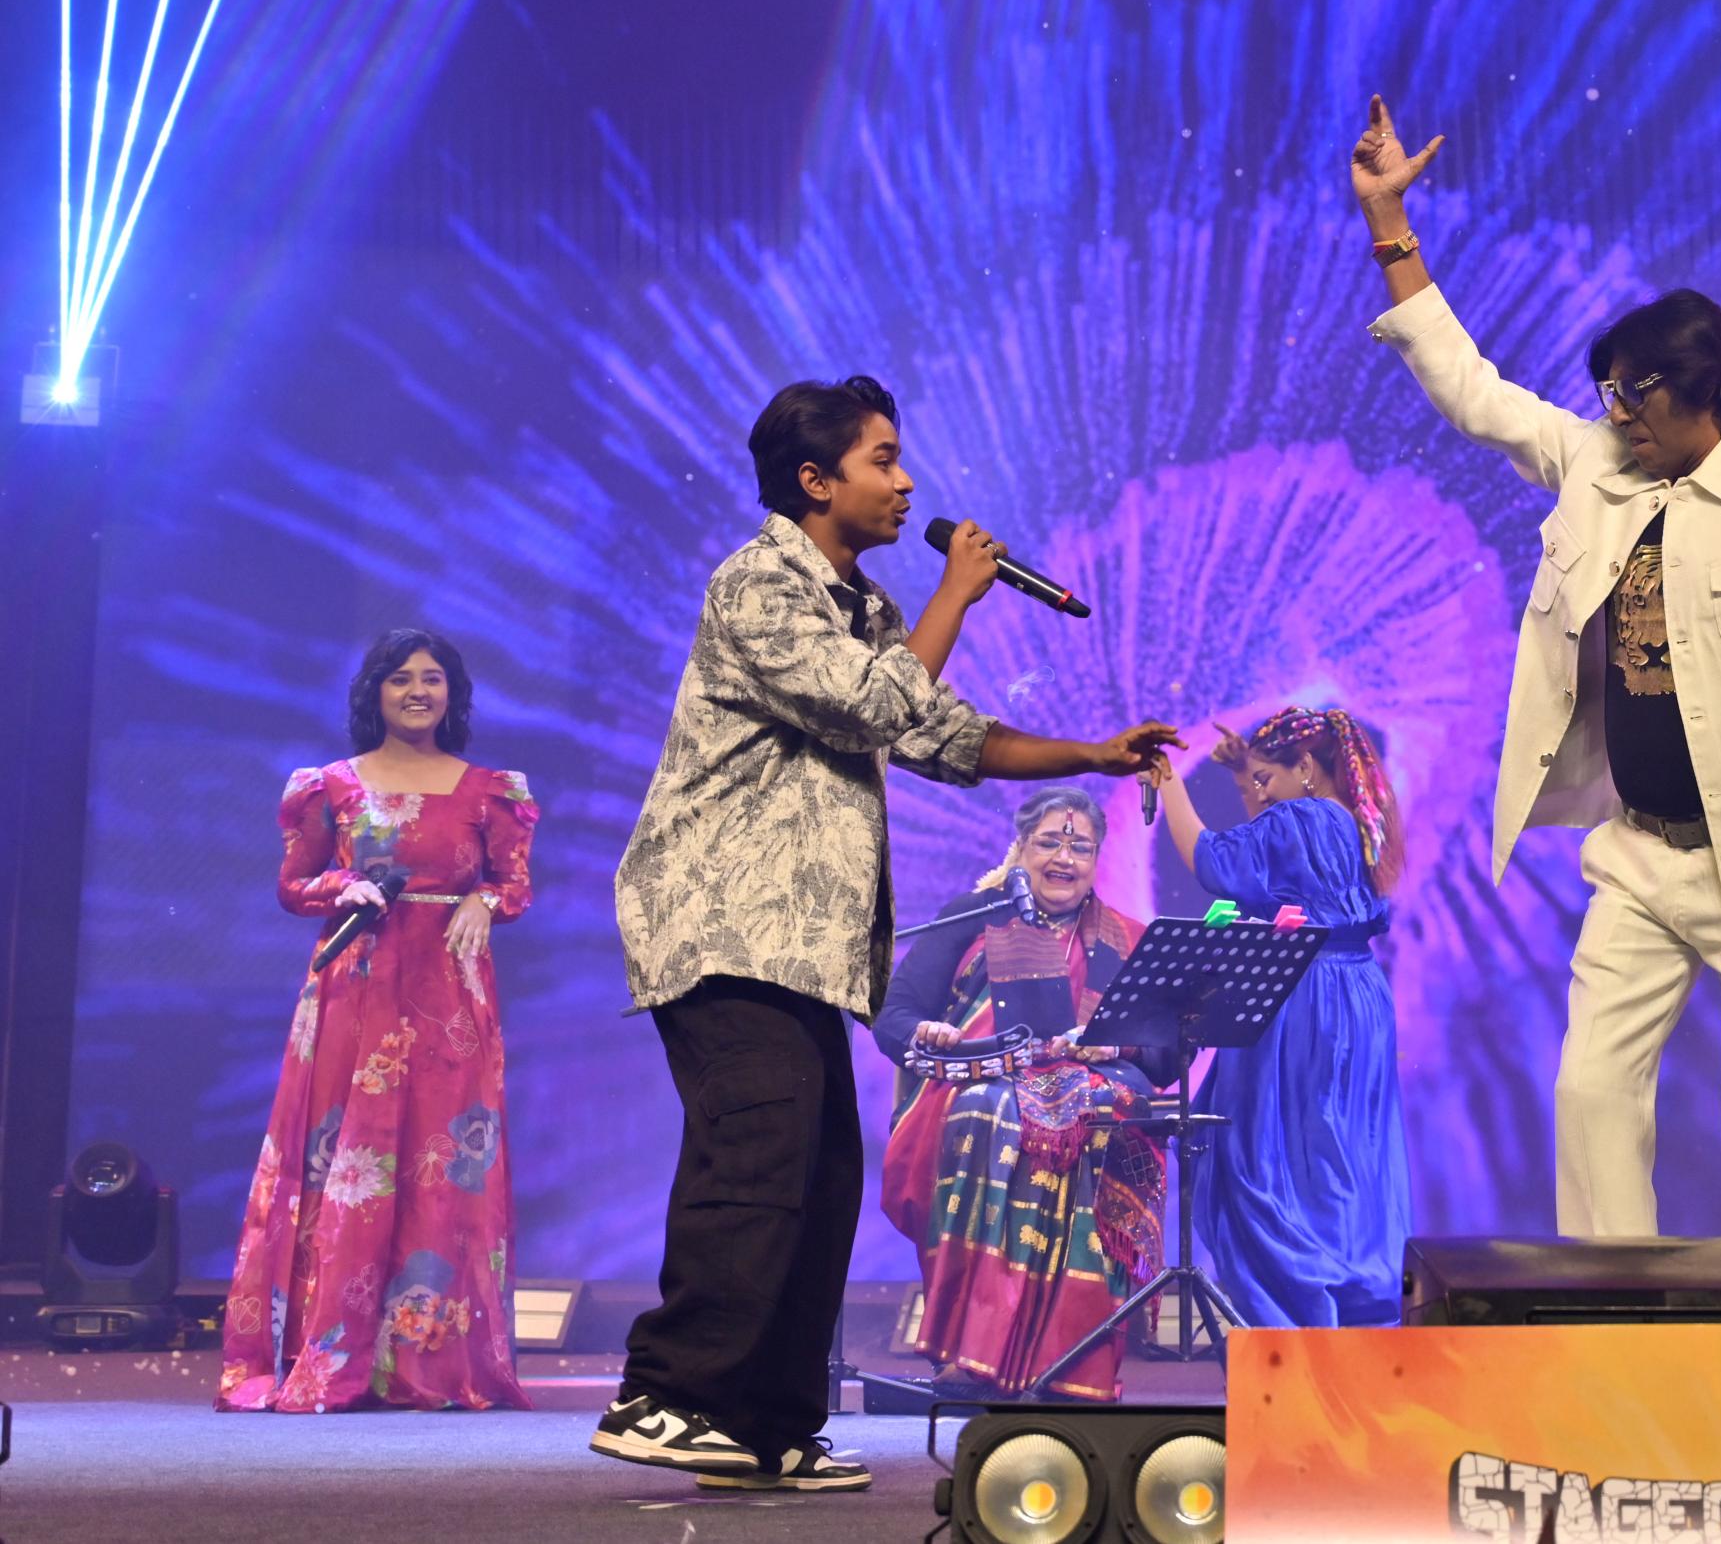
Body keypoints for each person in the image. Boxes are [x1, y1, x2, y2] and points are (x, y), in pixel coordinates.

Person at [1347, 97, 1721, 1241]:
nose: (1616, 411)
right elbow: (1473, 390)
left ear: (1706, 384)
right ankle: (1609, 1303)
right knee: (1590, 1089)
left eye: (1637, 390)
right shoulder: (1597, 467)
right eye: (1609, 392)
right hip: (1639, 853)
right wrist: (1389, 224)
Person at [595, 375, 1178, 1492]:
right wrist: (957, 593)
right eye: (883, 459)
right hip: (724, 925)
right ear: (816, 481)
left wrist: (1094, 754)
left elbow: (945, 734)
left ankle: (765, 1423)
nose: (907, 482)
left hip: (803, 947)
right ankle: (666, 1394)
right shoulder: (759, 582)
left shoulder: (860, 611)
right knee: (754, 1157)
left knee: (820, 1176)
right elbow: (874, 707)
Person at [218, 628, 536, 1414]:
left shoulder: (490, 790)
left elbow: (515, 885)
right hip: (355, 993)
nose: (417, 691)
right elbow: (294, 885)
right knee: (343, 1162)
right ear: (375, 693)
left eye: (432, 678)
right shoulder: (329, 786)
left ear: (452, 694)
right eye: (400, 679)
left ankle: (427, 1364)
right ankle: (332, 1351)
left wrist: (484, 900)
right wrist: (341, 888)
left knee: (443, 1166)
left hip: (449, 997)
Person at [873, 788, 1180, 1400]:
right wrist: (930, 1034)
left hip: (1093, 1089)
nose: (1064, 858)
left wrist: (1115, 1046)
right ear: (1020, 848)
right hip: (979, 1081)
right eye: (1049, 843)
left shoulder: (1127, 939)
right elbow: (894, 1017)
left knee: (1091, 1111)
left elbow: (1168, 1057)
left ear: (1097, 859)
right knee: (990, 1109)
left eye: (1080, 847)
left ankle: (1072, 1361)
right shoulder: (975, 917)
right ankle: (971, 1351)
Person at [1147, 706, 1409, 1325]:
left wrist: (1167, 781)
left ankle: (1295, 1314)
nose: (1258, 794)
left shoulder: (1302, 817)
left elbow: (1215, 862)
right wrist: (1249, 772)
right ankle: (1354, 1310)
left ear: (1307, 766)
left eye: (1266, 780)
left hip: (1304, 995)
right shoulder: (1361, 818)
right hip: (1360, 997)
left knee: (1259, 1157)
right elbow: (1271, 867)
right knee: (1339, 1156)